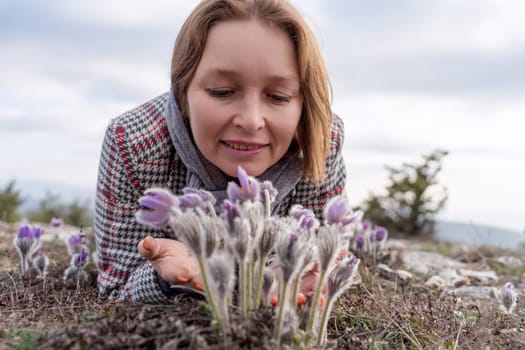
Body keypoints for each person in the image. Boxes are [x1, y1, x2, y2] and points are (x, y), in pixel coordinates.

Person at [94, 0, 347, 303]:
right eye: (222, 92)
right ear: (182, 90)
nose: (251, 120)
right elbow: (114, 288)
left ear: (303, 100)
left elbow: (328, 257)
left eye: (278, 96)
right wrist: (164, 279)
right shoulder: (133, 142)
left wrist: (295, 275)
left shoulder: (319, 139)